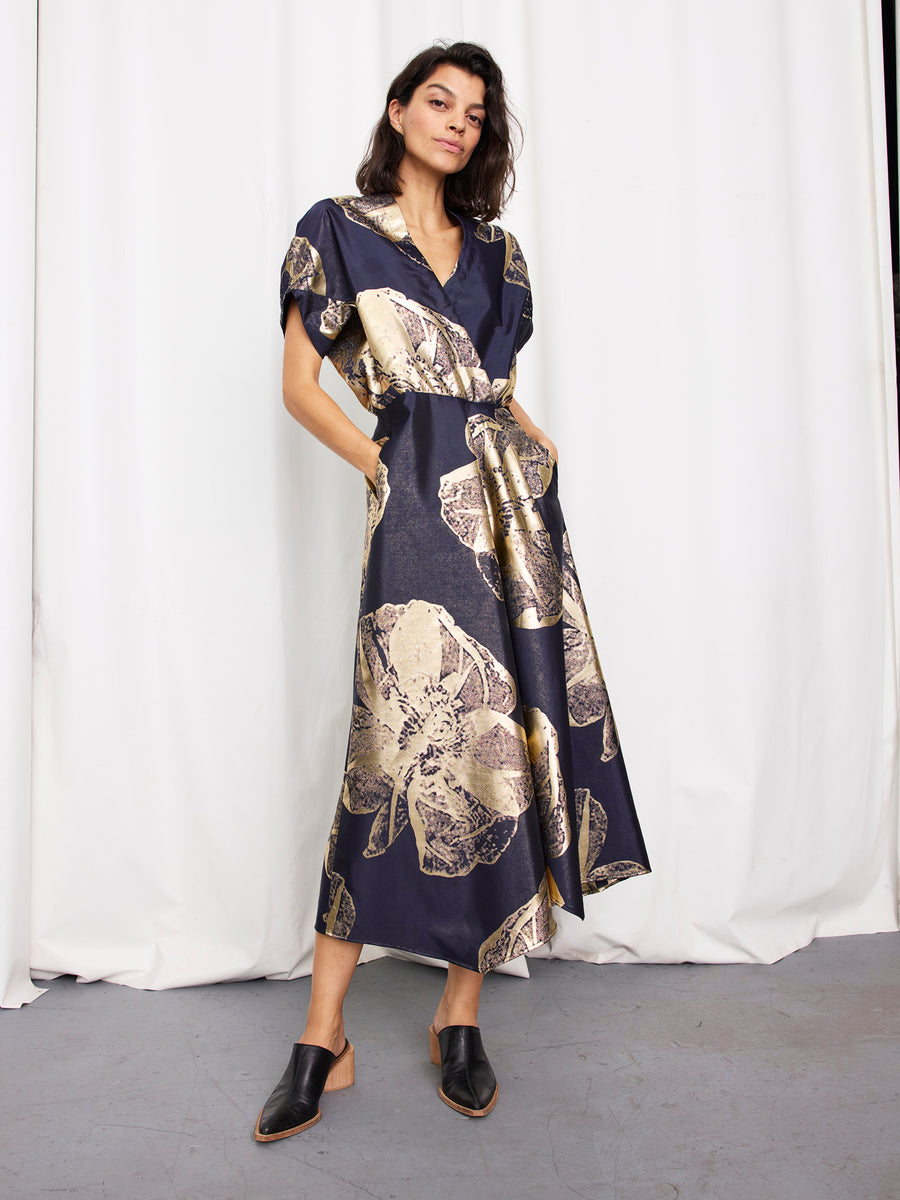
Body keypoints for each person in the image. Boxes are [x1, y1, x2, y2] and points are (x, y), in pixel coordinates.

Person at [254, 40, 650, 1142]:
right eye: (439, 101)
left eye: (476, 112)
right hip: (419, 516)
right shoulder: (337, 228)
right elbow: (299, 384)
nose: (458, 122)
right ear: (398, 111)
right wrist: (382, 465)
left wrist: (539, 446)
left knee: (504, 751)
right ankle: (320, 1032)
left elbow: (499, 388)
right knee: (388, 750)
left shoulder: (501, 256)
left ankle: (460, 1017)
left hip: (516, 520)